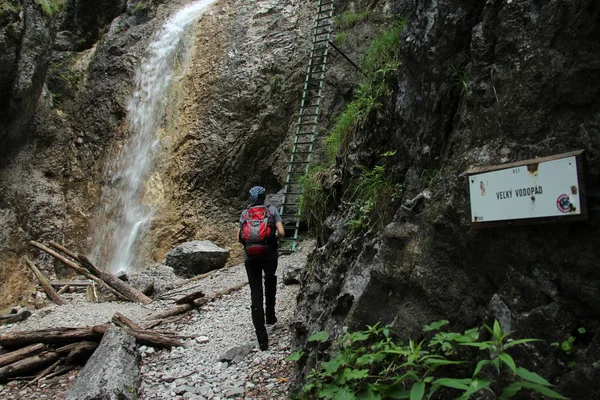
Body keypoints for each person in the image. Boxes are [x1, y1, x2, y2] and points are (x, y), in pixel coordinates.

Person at [237, 186, 285, 351]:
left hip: (251, 258)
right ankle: (270, 316)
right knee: (270, 279)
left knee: (255, 293)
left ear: (250, 198)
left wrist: (251, 246)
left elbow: (240, 238)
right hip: (269, 253)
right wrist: (271, 240)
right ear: (264, 197)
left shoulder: (245, 214)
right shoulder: (271, 211)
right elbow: (282, 232)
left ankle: (262, 339)